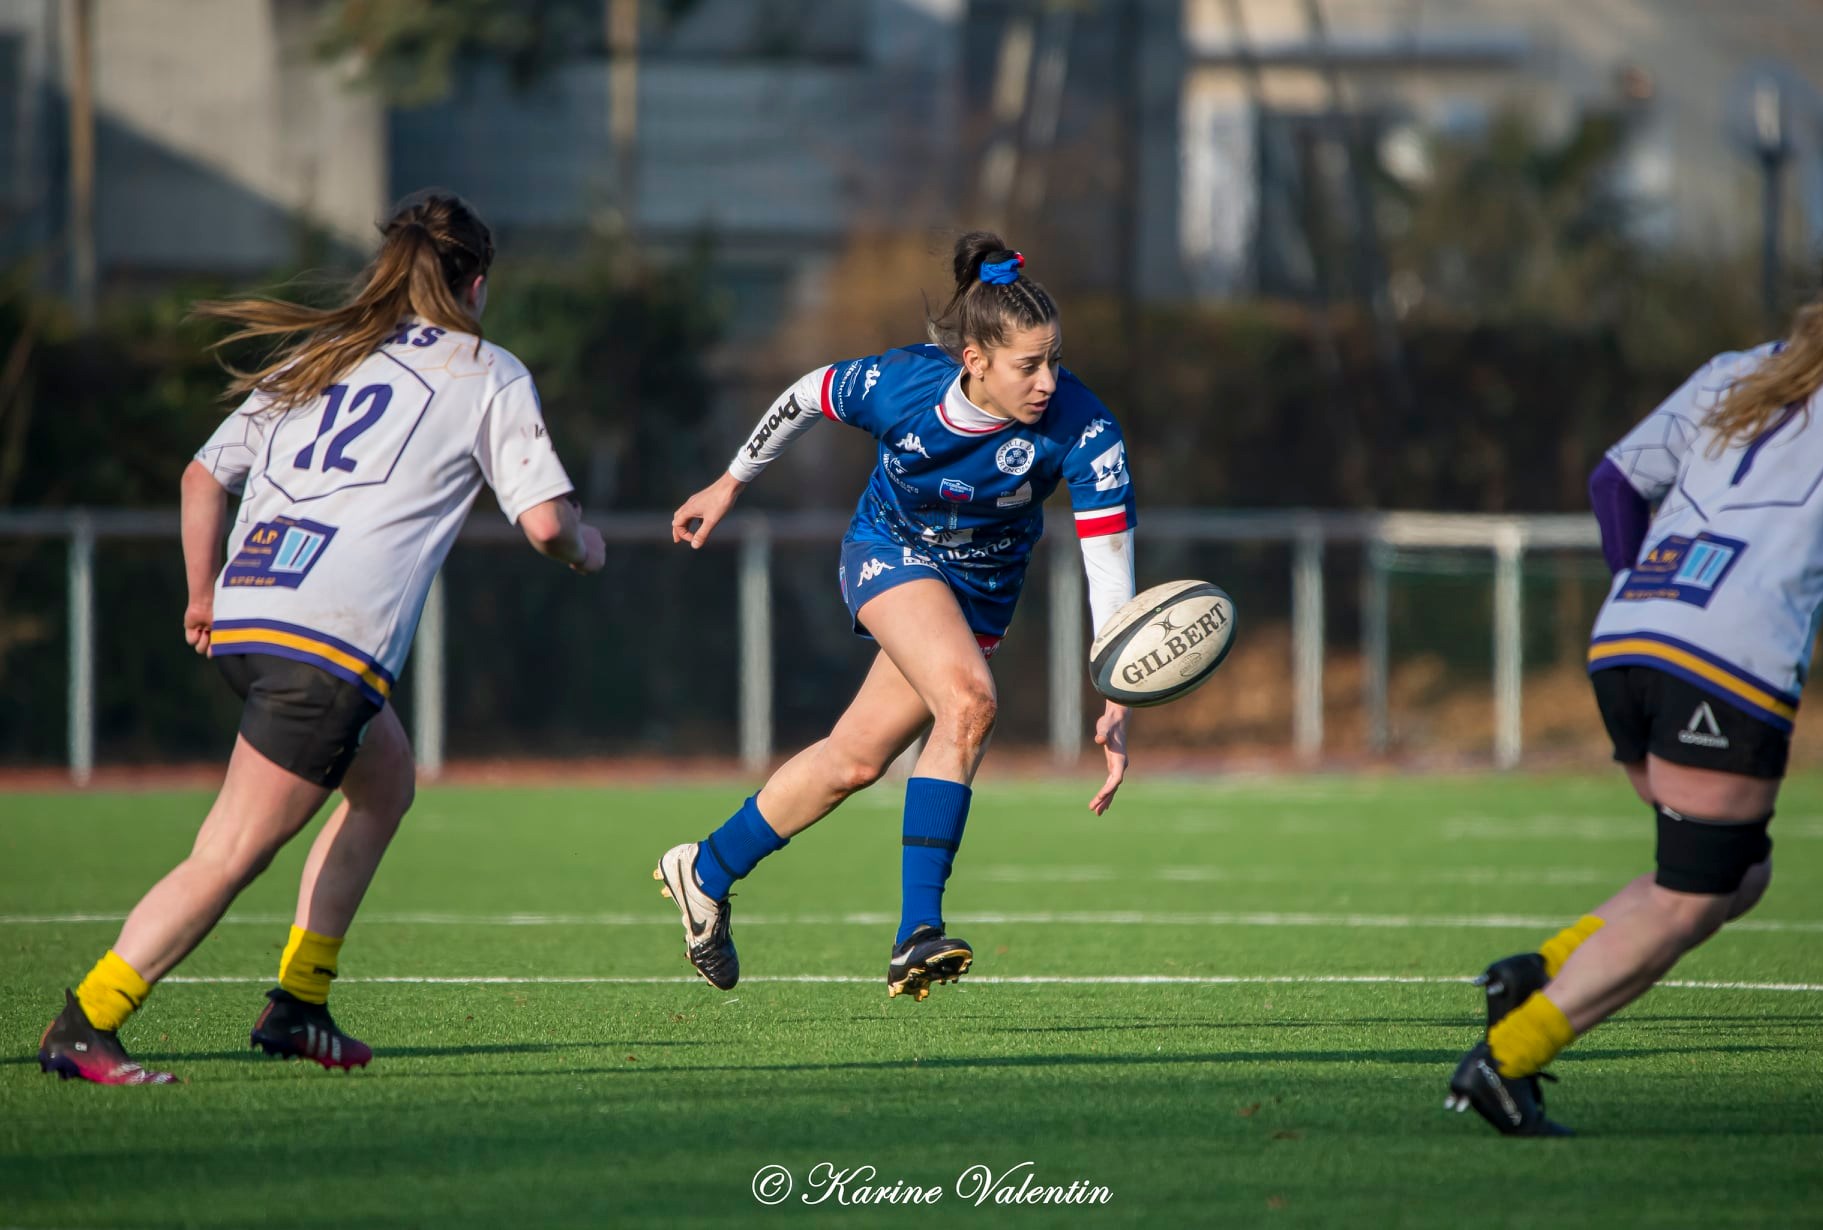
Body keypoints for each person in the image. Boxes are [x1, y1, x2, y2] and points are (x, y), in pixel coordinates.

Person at [36, 190, 605, 1085]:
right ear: (478, 284)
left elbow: (199, 476)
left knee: (384, 780)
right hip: (325, 645)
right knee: (229, 853)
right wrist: (586, 547)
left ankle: (299, 1004)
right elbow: (544, 524)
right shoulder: (484, 371)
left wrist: (200, 594)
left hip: (250, 611)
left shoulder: (319, 355)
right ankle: (88, 1020)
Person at [656, 232, 1137, 1000]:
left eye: (1054, 360)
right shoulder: (901, 386)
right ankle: (918, 931)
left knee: (853, 760)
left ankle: (704, 870)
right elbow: (805, 396)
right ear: (975, 360)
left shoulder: (1083, 426)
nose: (1049, 380)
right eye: (1028, 365)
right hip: (888, 552)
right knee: (970, 702)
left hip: (981, 593)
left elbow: (1106, 558)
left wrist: (1119, 688)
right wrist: (729, 483)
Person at [1445, 234, 1823, 1135]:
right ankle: (1507, 1060)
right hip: (1728, 656)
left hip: (1630, 634)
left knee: (1733, 873)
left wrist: (1639, 591)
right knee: (1693, 894)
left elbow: (1614, 481)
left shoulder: (1739, 370)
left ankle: (1539, 975)